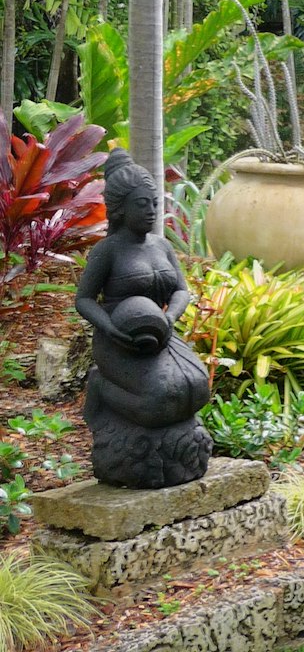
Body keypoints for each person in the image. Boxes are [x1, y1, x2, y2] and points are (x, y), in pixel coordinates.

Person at [75, 150, 212, 488]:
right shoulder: (108, 251)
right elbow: (84, 299)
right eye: (142, 204)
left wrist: (171, 318)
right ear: (121, 209)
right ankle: (102, 387)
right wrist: (108, 328)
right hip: (119, 339)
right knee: (159, 402)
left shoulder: (161, 247)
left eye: (154, 203)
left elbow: (181, 290)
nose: (152, 211)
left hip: (161, 333)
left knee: (197, 388)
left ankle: (183, 449)